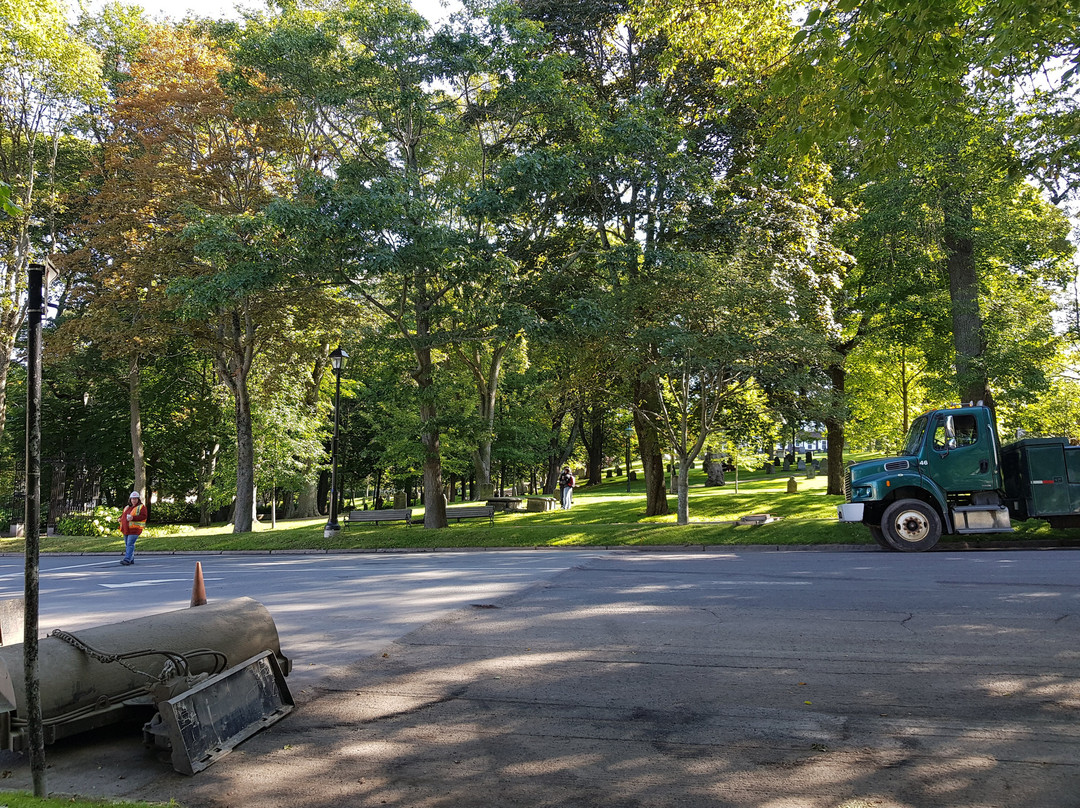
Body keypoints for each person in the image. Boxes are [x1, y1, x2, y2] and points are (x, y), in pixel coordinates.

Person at [119, 491, 148, 566]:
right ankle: (131, 559)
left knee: (130, 544)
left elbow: (143, 516)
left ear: (138, 499)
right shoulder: (127, 507)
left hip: (135, 529)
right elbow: (123, 516)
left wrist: (133, 518)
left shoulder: (141, 507)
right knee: (127, 544)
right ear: (130, 500)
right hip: (126, 529)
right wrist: (119, 519)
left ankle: (127, 559)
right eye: (132, 499)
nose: (133, 500)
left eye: (135, 499)